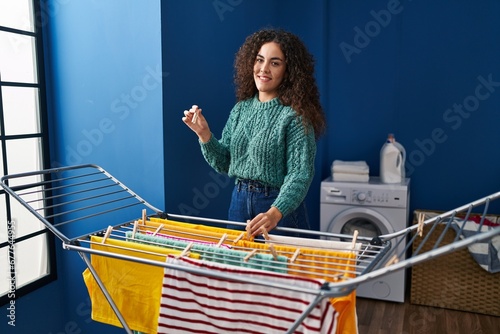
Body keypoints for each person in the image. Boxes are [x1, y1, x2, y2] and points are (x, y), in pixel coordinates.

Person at [182, 28, 326, 238]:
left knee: (283, 270)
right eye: (259, 60)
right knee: (238, 269)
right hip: (238, 204)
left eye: (275, 63)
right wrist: (205, 135)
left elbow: (300, 175)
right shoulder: (241, 109)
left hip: (277, 208)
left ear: (289, 71)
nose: (263, 68)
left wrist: (274, 213)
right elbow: (225, 162)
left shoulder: (295, 116)